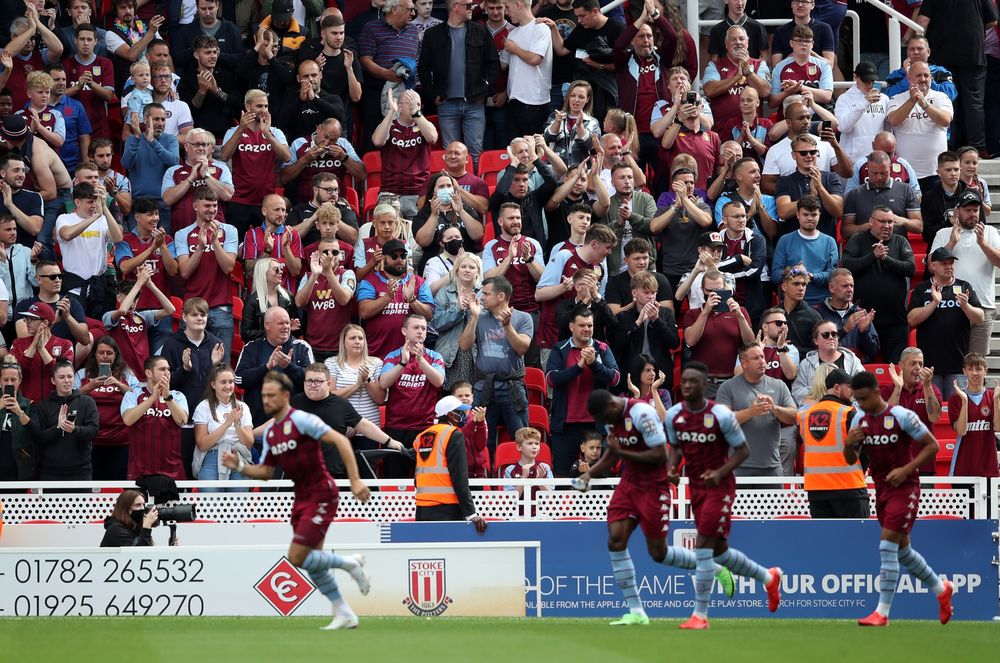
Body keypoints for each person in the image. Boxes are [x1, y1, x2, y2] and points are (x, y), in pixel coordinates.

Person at [222, 371, 372, 630]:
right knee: (313, 559)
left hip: (322, 492)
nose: (267, 400)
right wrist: (242, 467)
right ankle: (345, 612)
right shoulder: (271, 434)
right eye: (264, 396)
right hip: (301, 498)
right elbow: (267, 472)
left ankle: (350, 563)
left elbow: (341, 442)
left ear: (285, 396)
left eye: (272, 396)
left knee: (297, 556)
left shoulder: (301, 420)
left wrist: (356, 479)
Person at [578, 387, 735, 625]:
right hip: (628, 484)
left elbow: (661, 455)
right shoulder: (612, 420)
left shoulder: (642, 413)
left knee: (658, 553)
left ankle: (713, 568)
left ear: (611, 406)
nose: (606, 425)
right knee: (615, 539)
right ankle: (637, 612)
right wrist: (588, 475)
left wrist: (623, 452)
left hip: (654, 486)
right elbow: (613, 453)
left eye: (605, 419)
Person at [664, 363, 782, 629]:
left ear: (705, 385)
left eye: (694, 381)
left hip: (720, 487)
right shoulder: (674, 415)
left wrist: (719, 473)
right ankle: (769, 578)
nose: (688, 386)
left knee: (704, 546)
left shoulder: (720, 415)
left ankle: (700, 615)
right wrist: (672, 467)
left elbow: (742, 451)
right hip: (696, 487)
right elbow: (676, 448)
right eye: (684, 381)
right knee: (719, 551)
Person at [845, 371, 954, 626]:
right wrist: (849, 444)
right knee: (903, 552)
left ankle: (882, 613)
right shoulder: (859, 419)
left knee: (886, 546)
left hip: (906, 488)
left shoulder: (901, 416)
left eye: (863, 398)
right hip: (881, 488)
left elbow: (933, 446)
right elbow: (851, 460)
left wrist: (906, 469)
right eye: (857, 400)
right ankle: (941, 590)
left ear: (875, 392)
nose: (860, 404)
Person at [417, 0, 498, 165]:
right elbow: (423, 68)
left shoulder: (481, 31)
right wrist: (432, 94)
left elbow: (493, 64)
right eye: (468, 5)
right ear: (455, 6)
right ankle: (452, 189)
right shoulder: (433, 34)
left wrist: (485, 90)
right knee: (451, 153)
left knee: (475, 153)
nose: (472, 9)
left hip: (475, 102)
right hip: (446, 103)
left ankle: (475, 188)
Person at [458, 275, 532, 452]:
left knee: (523, 439)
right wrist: (474, 317)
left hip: (511, 386)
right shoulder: (480, 316)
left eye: (486, 294)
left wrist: (507, 326)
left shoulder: (523, 318)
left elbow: (522, 348)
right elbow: (464, 346)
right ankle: (483, 478)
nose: (482, 297)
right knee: (479, 440)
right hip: (483, 386)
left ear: (500, 296)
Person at [293, 362, 403, 479]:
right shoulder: (295, 403)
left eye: (318, 381)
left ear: (329, 384)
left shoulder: (341, 405)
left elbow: (364, 426)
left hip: (334, 473)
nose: (313, 385)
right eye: (309, 381)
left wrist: (390, 442)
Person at [547, 305, 620, 476]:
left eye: (590, 325)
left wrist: (594, 364)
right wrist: (578, 367)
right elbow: (551, 379)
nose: (587, 329)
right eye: (582, 325)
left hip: (595, 425)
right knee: (564, 476)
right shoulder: (560, 349)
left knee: (598, 477)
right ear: (572, 327)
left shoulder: (602, 348)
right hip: (565, 426)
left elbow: (615, 378)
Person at [917, 0, 997, 154]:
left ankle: (951, 144)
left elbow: (923, 20)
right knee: (974, 103)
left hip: (942, 54)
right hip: (973, 52)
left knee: (947, 99)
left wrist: (918, 40)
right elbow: (992, 21)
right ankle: (977, 147)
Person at [928, 190, 1000, 357]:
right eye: (967, 210)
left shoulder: (990, 232)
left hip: (983, 305)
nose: (972, 214)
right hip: (950, 305)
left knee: (977, 363)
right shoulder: (943, 233)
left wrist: (982, 243)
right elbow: (932, 264)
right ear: (957, 211)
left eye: (975, 210)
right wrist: (952, 242)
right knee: (952, 359)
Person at [908, 247, 984, 398]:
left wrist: (966, 306)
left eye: (951, 263)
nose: (949, 267)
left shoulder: (964, 287)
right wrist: (934, 303)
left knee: (957, 411)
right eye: (944, 263)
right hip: (929, 366)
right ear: (933, 266)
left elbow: (980, 317)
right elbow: (911, 319)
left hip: (958, 364)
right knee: (931, 413)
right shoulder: (922, 288)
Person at [842, 206, 916, 363]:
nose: (887, 225)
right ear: (871, 222)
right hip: (864, 319)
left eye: (890, 222)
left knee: (895, 368)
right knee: (861, 368)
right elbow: (847, 266)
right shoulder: (858, 239)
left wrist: (885, 259)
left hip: (895, 320)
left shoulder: (900, 241)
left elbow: (911, 269)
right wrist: (873, 256)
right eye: (882, 221)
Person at [173, 187, 239, 357]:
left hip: (221, 307)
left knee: (221, 363)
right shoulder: (182, 234)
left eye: (215, 205)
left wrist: (215, 242)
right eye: (207, 206)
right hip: (193, 307)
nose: (212, 210)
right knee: (189, 360)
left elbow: (229, 268)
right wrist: (200, 247)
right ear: (195, 206)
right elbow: (185, 272)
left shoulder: (229, 230)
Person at [379, 312, 446, 477]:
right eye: (416, 327)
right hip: (396, 427)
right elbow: (383, 383)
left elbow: (439, 381)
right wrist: (403, 362)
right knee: (394, 479)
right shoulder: (393, 356)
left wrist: (421, 360)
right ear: (404, 331)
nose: (420, 332)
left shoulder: (434, 356)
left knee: (425, 478)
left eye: (423, 328)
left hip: (425, 427)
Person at [796, 368, 870, 517]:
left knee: (825, 539)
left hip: (816, 491)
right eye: (849, 387)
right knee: (857, 539)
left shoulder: (805, 415)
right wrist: (864, 468)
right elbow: (865, 450)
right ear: (837, 388)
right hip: (849, 488)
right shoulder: (849, 413)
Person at [717, 342, 797, 477]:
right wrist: (751, 412)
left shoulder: (779, 385)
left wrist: (774, 408)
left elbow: (794, 416)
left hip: (771, 466)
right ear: (744, 363)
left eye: (763, 357)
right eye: (756, 358)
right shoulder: (727, 387)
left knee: (775, 500)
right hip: (738, 467)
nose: (762, 362)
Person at [220, 91, 291, 238]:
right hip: (239, 199)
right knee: (236, 246)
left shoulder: (275, 132)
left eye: (266, 106)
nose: (263, 110)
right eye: (259, 106)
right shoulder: (233, 131)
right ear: (247, 106)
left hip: (266, 202)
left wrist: (267, 134)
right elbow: (224, 155)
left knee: (266, 245)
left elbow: (286, 156)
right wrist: (241, 128)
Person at [412, 394, 487, 531]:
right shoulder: (453, 435)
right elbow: (459, 477)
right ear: (450, 414)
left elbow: (417, 476)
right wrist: (471, 514)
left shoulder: (422, 436)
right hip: (446, 507)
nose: (464, 414)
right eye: (459, 412)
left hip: (422, 507)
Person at [357, 238, 435, 360]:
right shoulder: (370, 281)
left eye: (403, 256)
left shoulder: (418, 282)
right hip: (377, 356)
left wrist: (412, 301)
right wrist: (387, 297)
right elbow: (364, 312)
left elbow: (429, 314)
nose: (399, 260)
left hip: (412, 356)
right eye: (394, 256)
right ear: (383, 258)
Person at [235, 306, 314, 426]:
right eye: (281, 323)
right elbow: (239, 379)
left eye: (287, 323)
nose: (286, 327)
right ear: (267, 325)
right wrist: (266, 368)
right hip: (257, 426)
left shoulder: (301, 347)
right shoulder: (251, 347)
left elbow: (313, 381)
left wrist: (289, 366)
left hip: (293, 425)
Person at [682, 269, 755, 397]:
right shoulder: (693, 313)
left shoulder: (739, 311)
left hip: (731, 381)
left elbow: (750, 342)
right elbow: (690, 341)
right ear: (702, 290)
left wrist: (740, 316)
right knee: (707, 418)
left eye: (719, 290)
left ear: (725, 289)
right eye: (710, 291)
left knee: (729, 417)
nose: (714, 294)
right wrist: (705, 312)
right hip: (703, 382)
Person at [74, 335, 139, 480]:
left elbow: (139, 397)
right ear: (94, 354)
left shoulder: (126, 375)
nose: (105, 356)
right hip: (91, 441)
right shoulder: (82, 374)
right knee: (94, 484)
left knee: (118, 482)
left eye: (109, 353)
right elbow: (70, 398)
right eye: (101, 352)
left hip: (121, 440)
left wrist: (119, 384)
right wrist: (90, 386)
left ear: (116, 355)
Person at [887, 62, 955, 189]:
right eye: (918, 75)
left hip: (936, 172)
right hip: (905, 172)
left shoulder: (942, 97)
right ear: (909, 78)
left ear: (931, 78)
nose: (923, 79)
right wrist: (912, 101)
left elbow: (945, 120)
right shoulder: (896, 99)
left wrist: (925, 105)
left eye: (926, 75)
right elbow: (894, 120)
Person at [121, 355, 189, 481]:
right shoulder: (133, 394)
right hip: (140, 471)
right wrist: (153, 397)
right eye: (162, 369)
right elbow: (128, 420)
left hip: (172, 471)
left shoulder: (178, 396)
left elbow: (182, 421)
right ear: (148, 373)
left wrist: (167, 397)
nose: (167, 373)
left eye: (168, 369)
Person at [31, 359, 99, 481]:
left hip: (81, 470)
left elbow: (93, 431)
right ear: (53, 380)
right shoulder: (42, 406)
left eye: (70, 376)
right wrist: (58, 428)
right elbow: (38, 438)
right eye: (61, 377)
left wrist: (75, 429)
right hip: (50, 471)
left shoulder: (87, 402)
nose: (67, 381)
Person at [373, 89, 436, 219]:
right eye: (411, 103)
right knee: (389, 235)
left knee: (418, 236)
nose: (415, 107)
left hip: (419, 192)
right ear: (400, 107)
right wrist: (391, 112)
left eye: (418, 104)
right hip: (390, 193)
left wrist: (416, 112)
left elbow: (432, 138)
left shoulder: (425, 125)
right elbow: (378, 141)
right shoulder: (389, 125)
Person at [883, 348, 944, 477]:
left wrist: (927, 385)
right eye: (913, 363)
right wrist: (898, 389)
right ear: (901, 366)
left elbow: (934, 417)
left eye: (920, 364)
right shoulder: (888, 391)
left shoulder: (931, 389)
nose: (918, 368)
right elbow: (886, 422)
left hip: (924, 465)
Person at [702, 25, 772, 138]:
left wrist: (748, 72)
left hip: (755, 134)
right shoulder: (714, 65)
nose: (738, 42)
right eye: (733, 39)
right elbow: (709, 90)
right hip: (723, 133)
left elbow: (765, 91)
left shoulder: (760, 64)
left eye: (741, 39)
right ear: (726, 44)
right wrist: (737, 77)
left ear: (747, 43)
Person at [192, 363, 252, 491]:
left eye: (231, 382)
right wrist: (226, 424)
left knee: (237, 508)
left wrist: (237, 425)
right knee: (211, 506)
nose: (228, 386)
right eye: (223, 382)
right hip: (212, 455)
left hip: (237, 455)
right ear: (213, 384)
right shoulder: (204, 406)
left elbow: (248, 443)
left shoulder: (243, 407)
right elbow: (202, 444)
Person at [161, 129, 235, 233]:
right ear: (186, 146)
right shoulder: (173, 171)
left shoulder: (221, 168)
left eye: (204, 145)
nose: (201, 148)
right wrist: (190, 178)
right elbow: (167, 199)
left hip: (215, 234)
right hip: (182, 235)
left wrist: (206, 175)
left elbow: (227, 194)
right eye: (197, 145)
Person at [498, 0, 553, 142]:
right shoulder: (513, 33)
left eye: (508, 8)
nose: (506, 13)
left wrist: (515, 49)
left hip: (534, 100)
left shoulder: (540, 28)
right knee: (516, 147)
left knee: (533, 149)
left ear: (518, 4)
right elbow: (503, 64)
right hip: (514, 98)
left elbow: (535, 58)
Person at [774, 134, 844, 241]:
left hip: (825, 242)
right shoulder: (785, 181)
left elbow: (838, 211)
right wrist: (811, 195)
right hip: (795, 243)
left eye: (812, 152)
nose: (809, 156)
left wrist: (820, 188)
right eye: (803, 153)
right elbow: (783, 212)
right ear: (793, 155)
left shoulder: (831, 177)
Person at [614, 271, 678, 387]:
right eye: (646, 292)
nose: (651, 296)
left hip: (659, 373)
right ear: (634, 292)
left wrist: (657, 320)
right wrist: (637, 323)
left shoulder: (666, 313)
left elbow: (674, 343)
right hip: (631, 374)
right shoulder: (623, 316)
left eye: (654, 293)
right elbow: (617, 345)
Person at [296, 239, 357, 362]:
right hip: (314, 346)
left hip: (340, 346)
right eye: (325, 252)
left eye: (334, 252)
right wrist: (314, 275)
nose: (330, 256)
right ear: (317, 254)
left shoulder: (347, 274)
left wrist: (329, 273)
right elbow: (299, 303)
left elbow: (344, 299)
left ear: (340, 255)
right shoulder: (308, 276)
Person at [771, 197, 839, 306]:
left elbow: (833, 275)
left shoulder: (829, 242)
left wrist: (811, 276)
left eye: (813, 215)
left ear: (819, 216)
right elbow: (775, 275)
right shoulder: (785, 240)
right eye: (805, 214)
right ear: (798, 215)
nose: (810, 218)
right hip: (792, 304)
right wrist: (793, 271)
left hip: (822, 304)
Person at [840, 151, 922, 241]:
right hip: (864, 249)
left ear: (890, 168)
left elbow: (919, 227)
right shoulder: (855, 194)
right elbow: (845, 231)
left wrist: (902, 221)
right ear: (867, 169)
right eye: (874, 173)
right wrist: (868, 227)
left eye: (883, 173)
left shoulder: (905, 190)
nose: (879, 177)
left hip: (896, 250)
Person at [325, 325, 387, 436]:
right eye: (352, 338)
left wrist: (366, 380)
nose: (357, 341)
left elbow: (380, 399)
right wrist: (357, 384)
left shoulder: (376, 363)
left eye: (361, 338)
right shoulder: (332, 363)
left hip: (370, 429)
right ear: (344, 342)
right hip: (341, 427)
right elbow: (329, 396)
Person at [948, 353, 1000, 478]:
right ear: (964, 371)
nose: (974, 373)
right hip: (963, 467)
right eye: (970, 369)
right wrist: (965, 401)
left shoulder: (992, 396)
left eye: (978, 369)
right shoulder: (956, 399)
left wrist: (996, 399)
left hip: (988, 467)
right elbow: (961, 431)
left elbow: (998, 427)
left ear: (985, 371)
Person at [11, 302, 74, 403]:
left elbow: (61, 373)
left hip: (55, 405)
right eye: (26, 319)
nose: (26, 322)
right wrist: (34, 345)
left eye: (31, 319)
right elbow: (16, 373)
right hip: (27, 406)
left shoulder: (65, 345)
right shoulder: (18, 344)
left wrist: (41, 348)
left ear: (44, 323)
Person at [792, 319, 865, 404]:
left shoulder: (852, 360)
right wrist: (822, 390)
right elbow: (796, 393)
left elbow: (863, 386)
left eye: (834, 334)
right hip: (817, 411)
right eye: (825, 335)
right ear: (816, 340)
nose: (831, 337)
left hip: (847, 411)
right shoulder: (806, 364)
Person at [814, 268, 879, 363]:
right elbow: (815, 346)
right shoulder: (818, 312)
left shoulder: (861, 314)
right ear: (831, 288)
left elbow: (873, 351)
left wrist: (863, 332)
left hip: (857, 369)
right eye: (845, 286)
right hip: (828, 368)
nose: (850, 290)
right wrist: (844, 330)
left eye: (852, 286)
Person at [834, 62, 890, 164]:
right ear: (855, 77)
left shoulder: (884, 99)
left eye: (872, 81)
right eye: (866, 81)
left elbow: (887, 129)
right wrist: (865, 102)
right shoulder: (844, 99)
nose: (870, 85)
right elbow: (843, 127)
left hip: (878, 160)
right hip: (852, 161)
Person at [542, 80, 602, 168]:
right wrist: (557, 122)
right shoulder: (555, 116)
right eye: (573, 95)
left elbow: (592, 146)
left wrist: (579, 126)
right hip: (556, 170)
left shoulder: (592, 122)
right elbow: (547, 138)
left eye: (581, 97)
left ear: (587, 99)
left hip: (581, 171)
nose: (576, 100)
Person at [242, 258, 299, 344]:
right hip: (261, 349)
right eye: (276, 269)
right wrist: (274, 332)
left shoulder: (287, 297)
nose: (281, 272)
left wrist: (288, 329)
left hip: (285, 348)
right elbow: (246, 333)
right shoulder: (252, 300)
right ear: (264, 273)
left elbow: (297, 331)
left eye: (280, 269)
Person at [0, 360, 35, 481]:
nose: (9, 383)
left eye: (13, 380)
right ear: (0, 381)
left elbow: (37, 433)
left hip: (19, 470)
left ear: (20, 381)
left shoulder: (29, 404)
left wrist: (20, 412)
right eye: (5, 380)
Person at [499, 426, 553, 497]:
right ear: (519, 447)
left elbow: (551, 497)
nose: (534, 447)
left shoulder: (544, 467)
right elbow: (511, 499)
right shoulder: (510, 469)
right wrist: (523, 478)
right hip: (518, 508)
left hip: (539, 508)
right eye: (530, 443)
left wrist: (539, 480)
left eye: (537, 443)